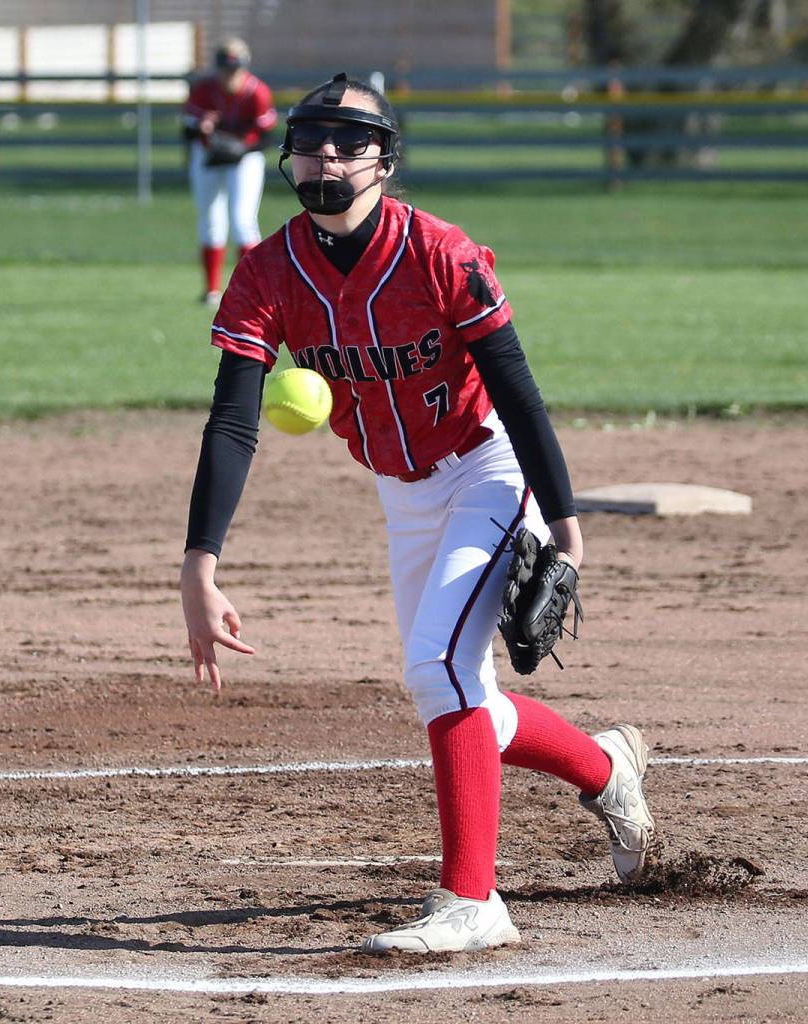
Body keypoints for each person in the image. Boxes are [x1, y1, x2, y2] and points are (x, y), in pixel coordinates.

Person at [180, 73, 656, 954]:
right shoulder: (266, 271)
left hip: (487, 467)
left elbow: (517, 392)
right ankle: (608, 769)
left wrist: (567, 522)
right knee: (460, 688)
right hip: (402, 489)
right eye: (313, 138)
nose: (327, 155)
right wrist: (198, 564)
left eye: (349, 140)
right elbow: (234, 420)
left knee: (437, 666)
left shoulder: (441, 252)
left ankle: (474, 902)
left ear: (385, 160)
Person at [182, 38, 277, 305]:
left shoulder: (257, 91)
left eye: (235, 68)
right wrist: (202, 128)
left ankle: (255, 291)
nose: (230, 74)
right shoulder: (205, 89)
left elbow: (267, 136)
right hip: (209, 156)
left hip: (245, 159)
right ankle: (212, 290)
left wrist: (239, 150)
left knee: (243, 221)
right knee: (211, 220)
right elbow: (187, 130)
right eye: (226, 68)